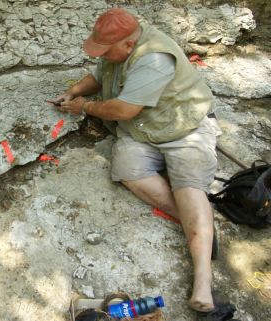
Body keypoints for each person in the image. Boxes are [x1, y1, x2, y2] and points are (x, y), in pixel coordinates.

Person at [55, 8, 235, 319]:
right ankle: (199, 227)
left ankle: (203, 282)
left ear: (127, 44)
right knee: (126, 170)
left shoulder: (153, 58)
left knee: (190, 189)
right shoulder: (117, 50)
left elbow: (124, 110)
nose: (103, 56)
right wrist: (76, 90)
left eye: (105, 51)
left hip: (185, 130)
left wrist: (84, 107)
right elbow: (98, 78)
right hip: (142, 133)